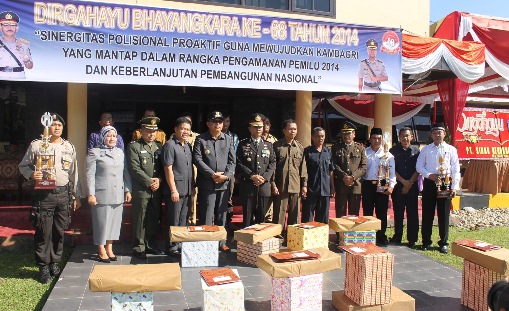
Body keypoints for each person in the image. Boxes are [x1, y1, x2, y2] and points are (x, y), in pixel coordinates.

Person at [18, 113, 81, 283]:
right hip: (44, 195)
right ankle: (43, 266)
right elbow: (23, 166)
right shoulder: (37, 145)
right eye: (53, 125)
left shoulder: (69, 147)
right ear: (47, 127)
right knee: (44, 231)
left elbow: (74, 173)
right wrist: (32, 174)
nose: (57, 128)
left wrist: (76, 195)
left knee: (59, 231)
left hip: (63, 194)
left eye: (60, 125)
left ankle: (55, 262)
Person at [85, 126, 132, 263]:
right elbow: (89, 175)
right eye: (109, 136)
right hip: (101, 193)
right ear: (102, 137)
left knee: (114, 222)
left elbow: (125, 172)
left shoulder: (120, 152)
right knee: (101, 223)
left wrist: (128, 189)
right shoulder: (94, 152)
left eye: (114, 136)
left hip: (117, 193)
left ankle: (109, 247)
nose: (112, 138)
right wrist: (91, 194)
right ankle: (101, 248)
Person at [193, 111, 236, 252]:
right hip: (207, 184)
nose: (218, 124)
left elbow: (232, 161)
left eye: (220, 121)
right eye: (214, 121)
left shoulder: (228, 139)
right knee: (206, 214)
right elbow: (197, 159)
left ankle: (221, 241)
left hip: (223, 184)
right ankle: (206, 242)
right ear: (208, 123)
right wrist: (211, 174)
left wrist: (227, 175)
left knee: (221, 215)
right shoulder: (201, 139)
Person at [416, 123, 460, 254]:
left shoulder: (451, 149)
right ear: (431, 135)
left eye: (439, 132)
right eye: (434, 133)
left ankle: (443, 242)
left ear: (444, 134)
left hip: (445, 183)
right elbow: (419, 166)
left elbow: (456, 169)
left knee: (444, 214)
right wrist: (430, 175)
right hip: (430, 183)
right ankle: (426, 241)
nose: (437, 135)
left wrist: (454, 186)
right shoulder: (426, 150)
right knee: (427, 213)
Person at [127, 116, 164, 259]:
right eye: (148, 131)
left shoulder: (159, 146)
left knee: (153, 218)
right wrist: (150, 182)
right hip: (142, 189)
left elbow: (163, 167)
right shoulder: (134, 146)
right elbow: (135, 169)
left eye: (154, 131)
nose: (151, 134)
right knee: (140, 219)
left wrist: (159, 180)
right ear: (141, 131)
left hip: (156, 190)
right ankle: (139, 247)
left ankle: (151, 245)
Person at [236, 113, 276, 227]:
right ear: (250, 128)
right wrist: (251, 175)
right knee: (247, 218)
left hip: (263, 186)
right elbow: (238, 162)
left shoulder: (268, 145)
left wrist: (265, 177)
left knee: (261, 218)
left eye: (260, 126)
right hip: (248, 185)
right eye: (255, 126)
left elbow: (273, 163)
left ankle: (259, 243)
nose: (258, 129)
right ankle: (246, 242)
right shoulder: (243, 144)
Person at [162, 117, 194, 257]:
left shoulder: (187, 146)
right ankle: (171, 246)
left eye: (187, 129)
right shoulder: (170, 145)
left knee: (183, 219)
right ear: (175, 129)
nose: (185, 131)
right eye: (182, 128)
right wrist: (173, 189)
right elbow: (168, 169)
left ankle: (180, 244)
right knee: (173, 219)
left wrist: (192, 187)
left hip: (187, 189)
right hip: (175, 190)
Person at [361, 127, 395, 246]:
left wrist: (391, 186)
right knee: (367, 211)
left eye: (379, 138)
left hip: (382, 186)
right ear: (370, 138)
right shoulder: (364, 152)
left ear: (382, 139)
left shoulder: (387, 154)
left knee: (381, 212)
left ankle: (381, 236)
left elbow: (392, 173)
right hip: (367, 185)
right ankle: (368, 235)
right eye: (374, 138)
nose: (376, 141)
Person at [272, 119, 307, 229]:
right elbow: (272, 167)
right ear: (284, 130)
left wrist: (304, 185)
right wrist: (273, 184)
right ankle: (278, 237)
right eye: (290, 129)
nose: (293, 131)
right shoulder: (276, 146)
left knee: (295, 215)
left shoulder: (300, 147)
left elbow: (303, 168)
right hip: (281, 185)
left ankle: (293, 238)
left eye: (295, 129)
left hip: (295, 185)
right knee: (279, 215)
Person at [389, 127, 420, 248]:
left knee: (412, 213)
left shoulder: (417, 151)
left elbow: (419, 168)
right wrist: (403, 182)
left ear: (411, 137)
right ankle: (397, 237)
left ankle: (412, 239)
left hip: (412, 187)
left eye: (407, 136)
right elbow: (392, 169)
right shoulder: (393, 151)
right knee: (398, 213)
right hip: (398, 186)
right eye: (402, 136)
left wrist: (409, 183)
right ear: (399, 138)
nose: (405, 138)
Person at [331, 121, 367, 216]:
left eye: (348, 133)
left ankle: (351, 232)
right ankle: (340, 232)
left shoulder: (361, 148)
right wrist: (344, 177)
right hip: (341, 184)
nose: (346, 135)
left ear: (354, 134)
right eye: (344, 133)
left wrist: (352, 177)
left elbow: (363, 166)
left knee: (354, 215)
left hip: (355, 185)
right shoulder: (336, 147)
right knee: (340, 214)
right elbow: (334, 164)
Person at [303, 127, 334, 223]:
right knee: (307, 218)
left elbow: (331, 170)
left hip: (325, 190)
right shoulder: (307, 151)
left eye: (322, 136)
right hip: (311, 189)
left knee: (323, 219)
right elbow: (304, 171)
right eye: (317, 136)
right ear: (312, 137)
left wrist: (332, 187)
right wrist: (304, 186)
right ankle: (308, 238)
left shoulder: (328, 152)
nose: (320, 138)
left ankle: (321, 238)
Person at [0, 11, 33, 79]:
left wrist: (26, 61)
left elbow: (30, 66)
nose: (9, 28)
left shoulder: (24, 44)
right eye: (6, 25)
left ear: (16, 28)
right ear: (1, 28)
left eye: (12, 25)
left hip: (18, 78)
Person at [222, 114, 239, 231]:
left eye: (227, 121)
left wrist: (230, 173)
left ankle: (228, 222)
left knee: (228, 198)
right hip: (215, 173)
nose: (225, 124)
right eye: (223, 121)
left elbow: (235, 157)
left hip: (230, 172)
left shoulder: (234, 137)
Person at [261, 116, 277, 222]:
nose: (266, 125)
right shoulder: (256, 138)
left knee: (270, 202)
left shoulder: (274, 140)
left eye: (268, 123)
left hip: (272, 174)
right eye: (264, 123)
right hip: (259, 174)